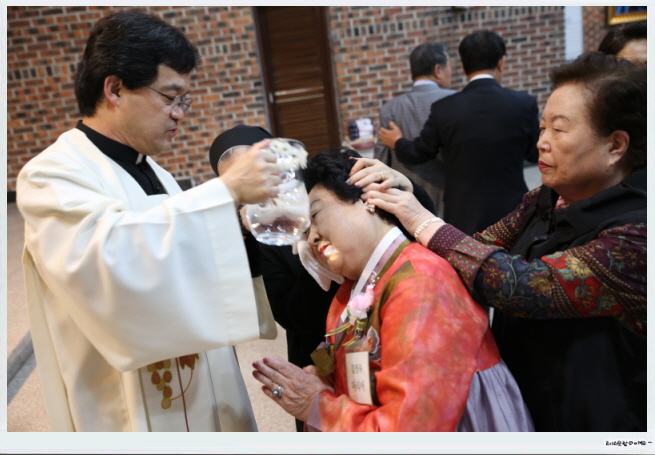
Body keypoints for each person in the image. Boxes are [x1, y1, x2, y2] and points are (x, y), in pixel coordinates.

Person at [16, 10, 282, 432]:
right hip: (124, 407)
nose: (180, 114)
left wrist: (240, 228)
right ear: (115, 89)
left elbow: (183, 253)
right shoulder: (52, 175)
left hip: (203, 384)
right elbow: (110, 262)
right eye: (170, 97)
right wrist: (225, 192)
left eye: (184, 101)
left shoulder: (156, 172)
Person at [361, 51, 646, 432]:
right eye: (542, 128)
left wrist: (422, 219)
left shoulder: (637, 233)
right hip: (531, 398)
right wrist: (407, 197)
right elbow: (475, 249)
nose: (542, 142)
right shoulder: (545, 198)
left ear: (616, 146)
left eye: (559, 130)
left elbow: (525, 286)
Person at [251, 147, 533, 432]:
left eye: (316, 215)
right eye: (305, 232)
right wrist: (323, 381)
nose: (311, 238)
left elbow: (411, 427)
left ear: (368, 199)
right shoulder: (352, 288)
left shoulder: (421, 285)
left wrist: (317, 405)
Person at [209, 124, 437, 432]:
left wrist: (402, 183)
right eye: (241, 184)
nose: (255, 185)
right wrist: (317, 264)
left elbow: (414, 219)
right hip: (319, 353)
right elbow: (290, 314)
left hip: (389, 322)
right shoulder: (263, 232)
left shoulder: (330, 180)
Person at [379, 30, 539, 236]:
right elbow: (534, 154)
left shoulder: (444, 108)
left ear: (463, 67)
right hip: (513, 209)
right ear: (502, 62)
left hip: (463, 212)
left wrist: (398, 141)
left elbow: (419, 152)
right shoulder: (523, 104)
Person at [373, 42, 456, 217]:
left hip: (407, 201)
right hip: (451, 198)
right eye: (449, 65)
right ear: (438, 69)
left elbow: (381, 162)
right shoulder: (455, 101)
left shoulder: (390, 109)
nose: (451, 70)